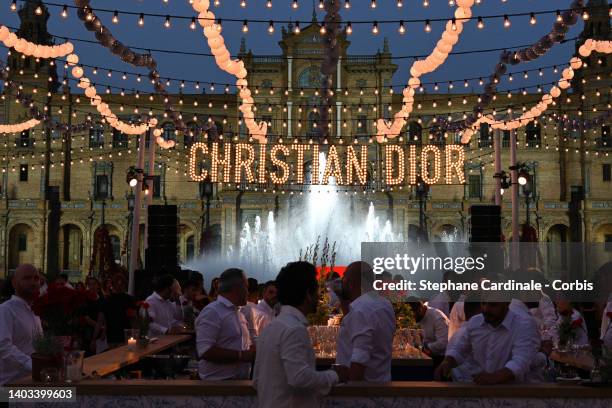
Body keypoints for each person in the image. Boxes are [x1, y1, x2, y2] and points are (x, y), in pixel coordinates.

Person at [254, 261, 346, 407]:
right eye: (316, 290)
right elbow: (299, 378)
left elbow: (257, 379)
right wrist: (335, 375)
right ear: (308, 294)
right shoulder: (294, 329)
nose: (319, 296)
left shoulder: (271, 328)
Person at [435, 300, 541, 384]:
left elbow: (521, 361)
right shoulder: (475, 322)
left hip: (517, 394)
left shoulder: (524, 324)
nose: (486, 309)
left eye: (493, 305)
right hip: (484, 391)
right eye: (483, 303)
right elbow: (460, 348)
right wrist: (448, 362)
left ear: (507, 303)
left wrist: (495, 377)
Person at [335, 261, 396, 382]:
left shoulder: (360, 310)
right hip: (382, 383)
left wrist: (348, 390)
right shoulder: (385, 304)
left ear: (350, 283)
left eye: (344, 278)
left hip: (361, 391)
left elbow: (359, 360)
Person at [195, 268, 254, 380]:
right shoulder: (213, 311)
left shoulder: (238, 313)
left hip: (236, 385)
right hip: (217, 387)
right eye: (247, 287)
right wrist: (241, 355)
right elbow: (205, 350)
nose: (248, 292)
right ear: (237, 288)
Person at [0, 264, 43, 385]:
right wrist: (32, 365)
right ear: (14, 283)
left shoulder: (35, 312)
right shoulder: (5, 310)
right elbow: (3, 346)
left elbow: (36, 346)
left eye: (36, 278)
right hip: (9, 388)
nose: (33, 282)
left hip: (33, 383)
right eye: (27, 278)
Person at [98, 274, 136, 348]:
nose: (119, 285)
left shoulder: (128, 299)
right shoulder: (107, 300)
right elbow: (101, 319)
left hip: (124, 335)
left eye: (121, 283)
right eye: (118, 283)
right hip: (113, 335)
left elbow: (133, 318)